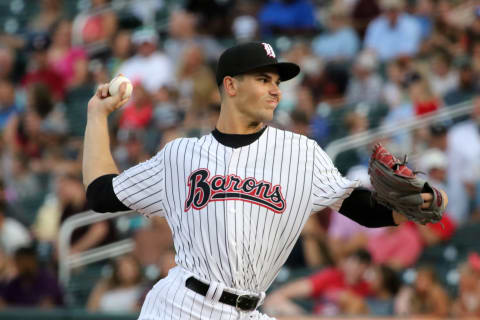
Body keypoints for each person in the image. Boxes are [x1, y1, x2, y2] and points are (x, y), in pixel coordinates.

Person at [83, 42, 444, 319]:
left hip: (248, 309)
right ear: (231, 85)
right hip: (182, 306)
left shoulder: (302, 154)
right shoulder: (180, 155)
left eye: (277, 81)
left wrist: (419, 202)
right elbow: (101, 194)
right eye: (263, 79)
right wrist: (97, 116)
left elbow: (364, 210)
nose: (276, 90)